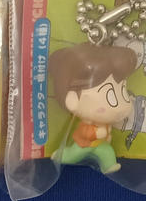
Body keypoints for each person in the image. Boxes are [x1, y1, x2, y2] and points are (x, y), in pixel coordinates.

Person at [49, 42, 138, 174]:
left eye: (122, 90)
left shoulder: (104, 122)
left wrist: (106, 136)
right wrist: (98, 133)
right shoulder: (87, 123)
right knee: (74, 154)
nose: (121, 105)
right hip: (85, 145)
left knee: (107, 151)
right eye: (109, 95)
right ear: (72, 99)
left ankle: (109, 166)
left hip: (100, 145)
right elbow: (85, 133)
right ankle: (62, 156)